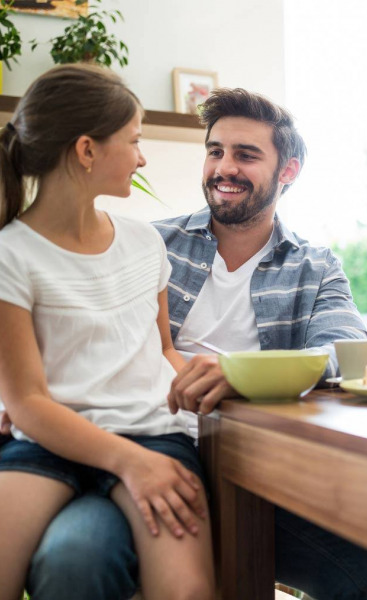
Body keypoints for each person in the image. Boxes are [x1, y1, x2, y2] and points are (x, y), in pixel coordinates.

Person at [21, 87, 367, 600]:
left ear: (288, 171)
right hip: (140, 447)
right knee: (77, 561)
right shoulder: (148, 243)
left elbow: (341, 352)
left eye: (246, 155)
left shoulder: (315, 266)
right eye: (215, 151)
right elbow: (61, 333)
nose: (224, 167)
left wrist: (241, 374)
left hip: (258, 475)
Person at [0, 65, 214, 600]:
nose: (142, 158)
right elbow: (25, 402)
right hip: (49, 444)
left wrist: (217, 378)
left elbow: (163, 347)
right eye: (135, 141)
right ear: (87, 151)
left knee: (186, 593)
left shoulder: (145, 244)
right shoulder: (12, 255)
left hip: (155, 436)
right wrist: (129, 462)